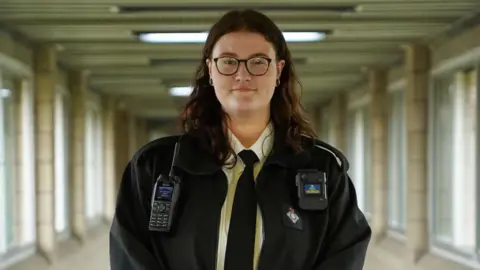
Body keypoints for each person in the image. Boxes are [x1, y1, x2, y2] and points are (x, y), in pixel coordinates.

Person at [109, 8, 371, 270]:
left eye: (258, 61)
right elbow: (130, 257)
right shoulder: (154, 166)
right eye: (228, 61)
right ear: (211, 69)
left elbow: (344, 258)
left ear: (278, 70)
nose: (242, 75)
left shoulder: (324, 170)